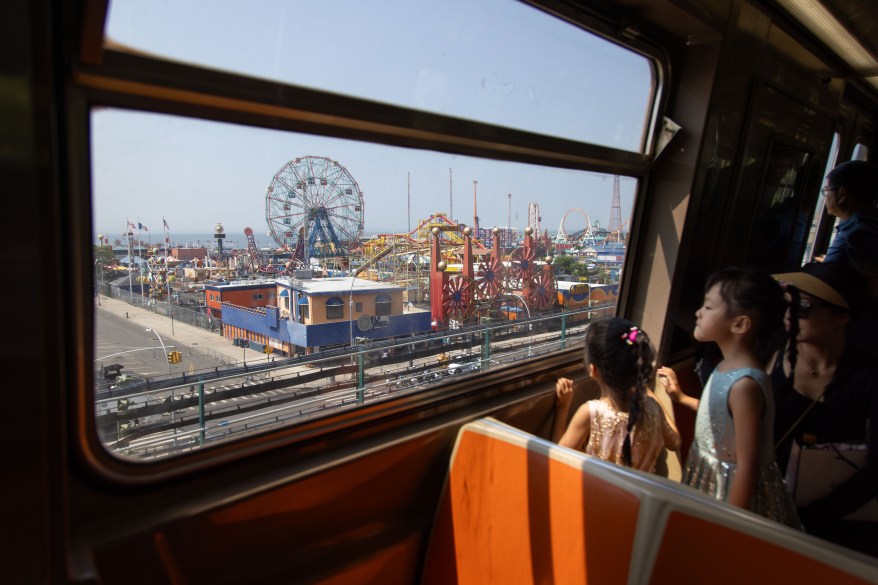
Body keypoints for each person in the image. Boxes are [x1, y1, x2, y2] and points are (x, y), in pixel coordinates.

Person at [665, 268, 801, 528]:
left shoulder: (744, 385)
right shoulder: (727, 366)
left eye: (707, 306)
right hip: (713, 480)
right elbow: (724, 422)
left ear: (740, 324)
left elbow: (747, 466)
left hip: (728, 493)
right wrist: (682, 399)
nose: (698, 312)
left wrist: (730, 525)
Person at [769, 262, 878, 550]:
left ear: (841, 316)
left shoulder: (867, 379)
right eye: (786, 303)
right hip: (766, 506)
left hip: (834, 528)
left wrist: (814, 517)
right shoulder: (771, 353)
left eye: (803, 308)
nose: (790, 314)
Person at [552, 317, 681, 473]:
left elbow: (557, 459)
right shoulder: (653, 409)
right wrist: (647, 390)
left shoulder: (590, 413)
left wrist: (562, 408)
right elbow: (675, 442)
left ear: (593, 370)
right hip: (638, 497)